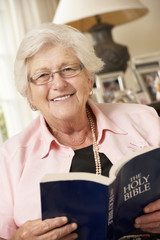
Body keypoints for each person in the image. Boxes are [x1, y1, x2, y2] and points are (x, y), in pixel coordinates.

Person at [0, 23, 160, 240]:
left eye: (68, 69)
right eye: (42, 75)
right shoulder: (9, 158)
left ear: (89, 78)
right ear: (29, 94)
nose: (58, 83)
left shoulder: (143, 119)